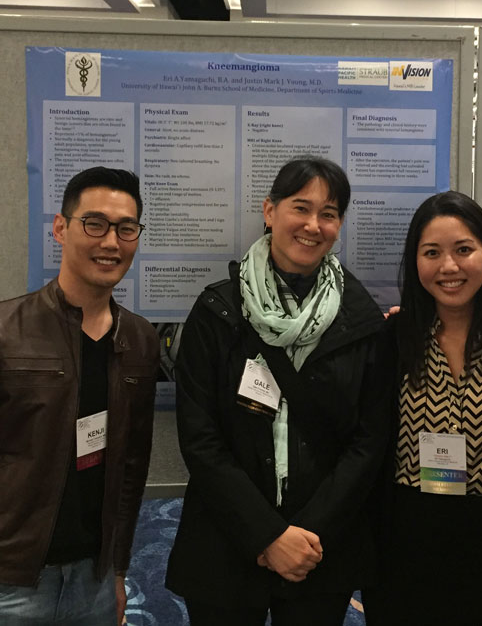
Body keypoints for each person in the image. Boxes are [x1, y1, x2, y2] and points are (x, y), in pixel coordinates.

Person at [165, 157, 390, 625]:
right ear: (270, 211)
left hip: (319, 548)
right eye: (300, 207)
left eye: (328, 214)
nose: (313, 225)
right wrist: (267, 535)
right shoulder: (218, 311)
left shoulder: (361, 318)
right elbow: (199, 437)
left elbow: (368, 442)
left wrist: (303, 534)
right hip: (226, 542)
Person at [0, 167, 159, 625]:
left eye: (126, 228)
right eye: (95, 223)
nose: (111, 241)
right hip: (8, 580)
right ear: (61, 228)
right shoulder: (3, 332)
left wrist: (119, 571)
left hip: (95, 580)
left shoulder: (140, 340)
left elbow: (131, 468)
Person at [364, 191, 482, 626]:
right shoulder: (396, 338)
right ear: (416, 263)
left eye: (464, 250)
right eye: (432, 253)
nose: (449, 267)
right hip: (408, 533)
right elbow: (374, 440)